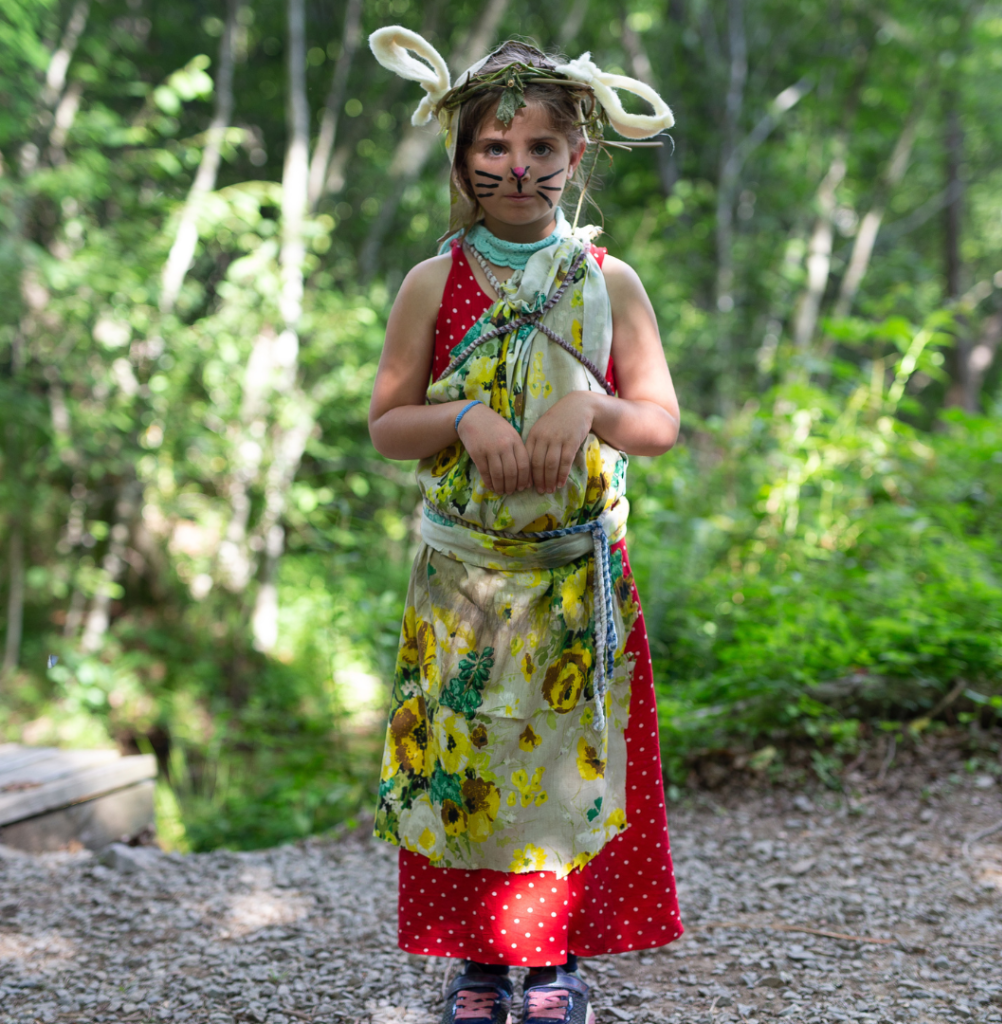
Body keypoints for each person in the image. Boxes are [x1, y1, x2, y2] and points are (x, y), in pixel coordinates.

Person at [367, 27, 683, 1024]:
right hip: (464, 581)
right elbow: (387, 425)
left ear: (575, 156)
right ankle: (475, 963)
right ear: (462, 160)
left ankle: (553, 964)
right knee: (465, 763)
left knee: (566, 765)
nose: (516, 167)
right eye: (494, 149)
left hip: (574, 577)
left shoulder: (608, 282)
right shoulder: (435, 280)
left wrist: (588, 409)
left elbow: (660, 424)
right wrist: (463, 416)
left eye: (540, 149)